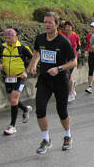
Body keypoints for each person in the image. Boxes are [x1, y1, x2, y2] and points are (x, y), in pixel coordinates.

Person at [27, 12, 77, 154]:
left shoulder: (63, 41)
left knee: (62, 111)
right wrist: (33, 65)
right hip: (44, 80)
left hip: (61, 81)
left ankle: (67, 136)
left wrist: (59, 68)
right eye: (45, 22)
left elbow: (74, 61)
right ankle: (46, 139)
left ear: (56, 24)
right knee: (40, 110)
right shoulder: (40, 38)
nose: (47, 25)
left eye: (50, 22)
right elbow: (36, 53)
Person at [0, 28, 33, 135]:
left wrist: (26, 71)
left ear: (16, 37)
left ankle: (12, 126)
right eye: (6, 38)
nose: (8, 40)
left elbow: (33, 59)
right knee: (12, 100)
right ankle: (25, 109)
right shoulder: (2, 47)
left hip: (20, 77)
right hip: (8, 77)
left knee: (14, 100)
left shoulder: (23, 48)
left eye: (10, 38)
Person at [60, 21, 81, 102]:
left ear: (72, 27)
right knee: (66, 75)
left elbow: (78, 46)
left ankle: (71, 92)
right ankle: (72, 86)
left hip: (72, 58)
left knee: (68, 74)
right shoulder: (62, 36)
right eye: (66, 26)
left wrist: (78, 51)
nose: (68, 28)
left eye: (69, 26)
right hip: (64, 58)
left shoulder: (75, 36)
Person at [85, 22, 94, 93]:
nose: (92, 29)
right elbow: (88, 45)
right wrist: (86, 51)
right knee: (91, 70)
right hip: (91, 54)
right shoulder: (88, 36)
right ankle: (90, 86)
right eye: (91, 27)